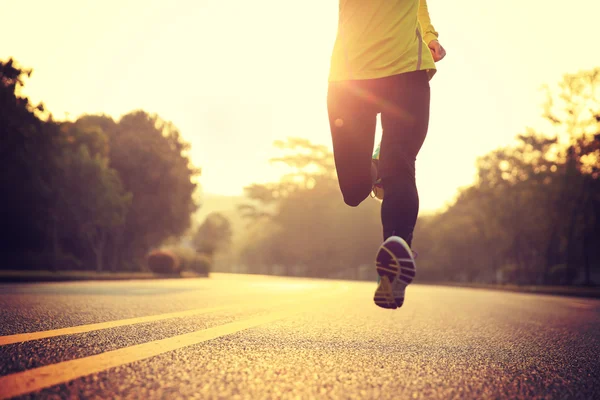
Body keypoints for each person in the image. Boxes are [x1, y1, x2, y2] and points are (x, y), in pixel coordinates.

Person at [327, 0, 446, 309]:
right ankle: (377, 167)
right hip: (350, 79)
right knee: (354, 190)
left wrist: (429, 35)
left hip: (407, 70)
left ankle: (395, 265)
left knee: (400, 162)